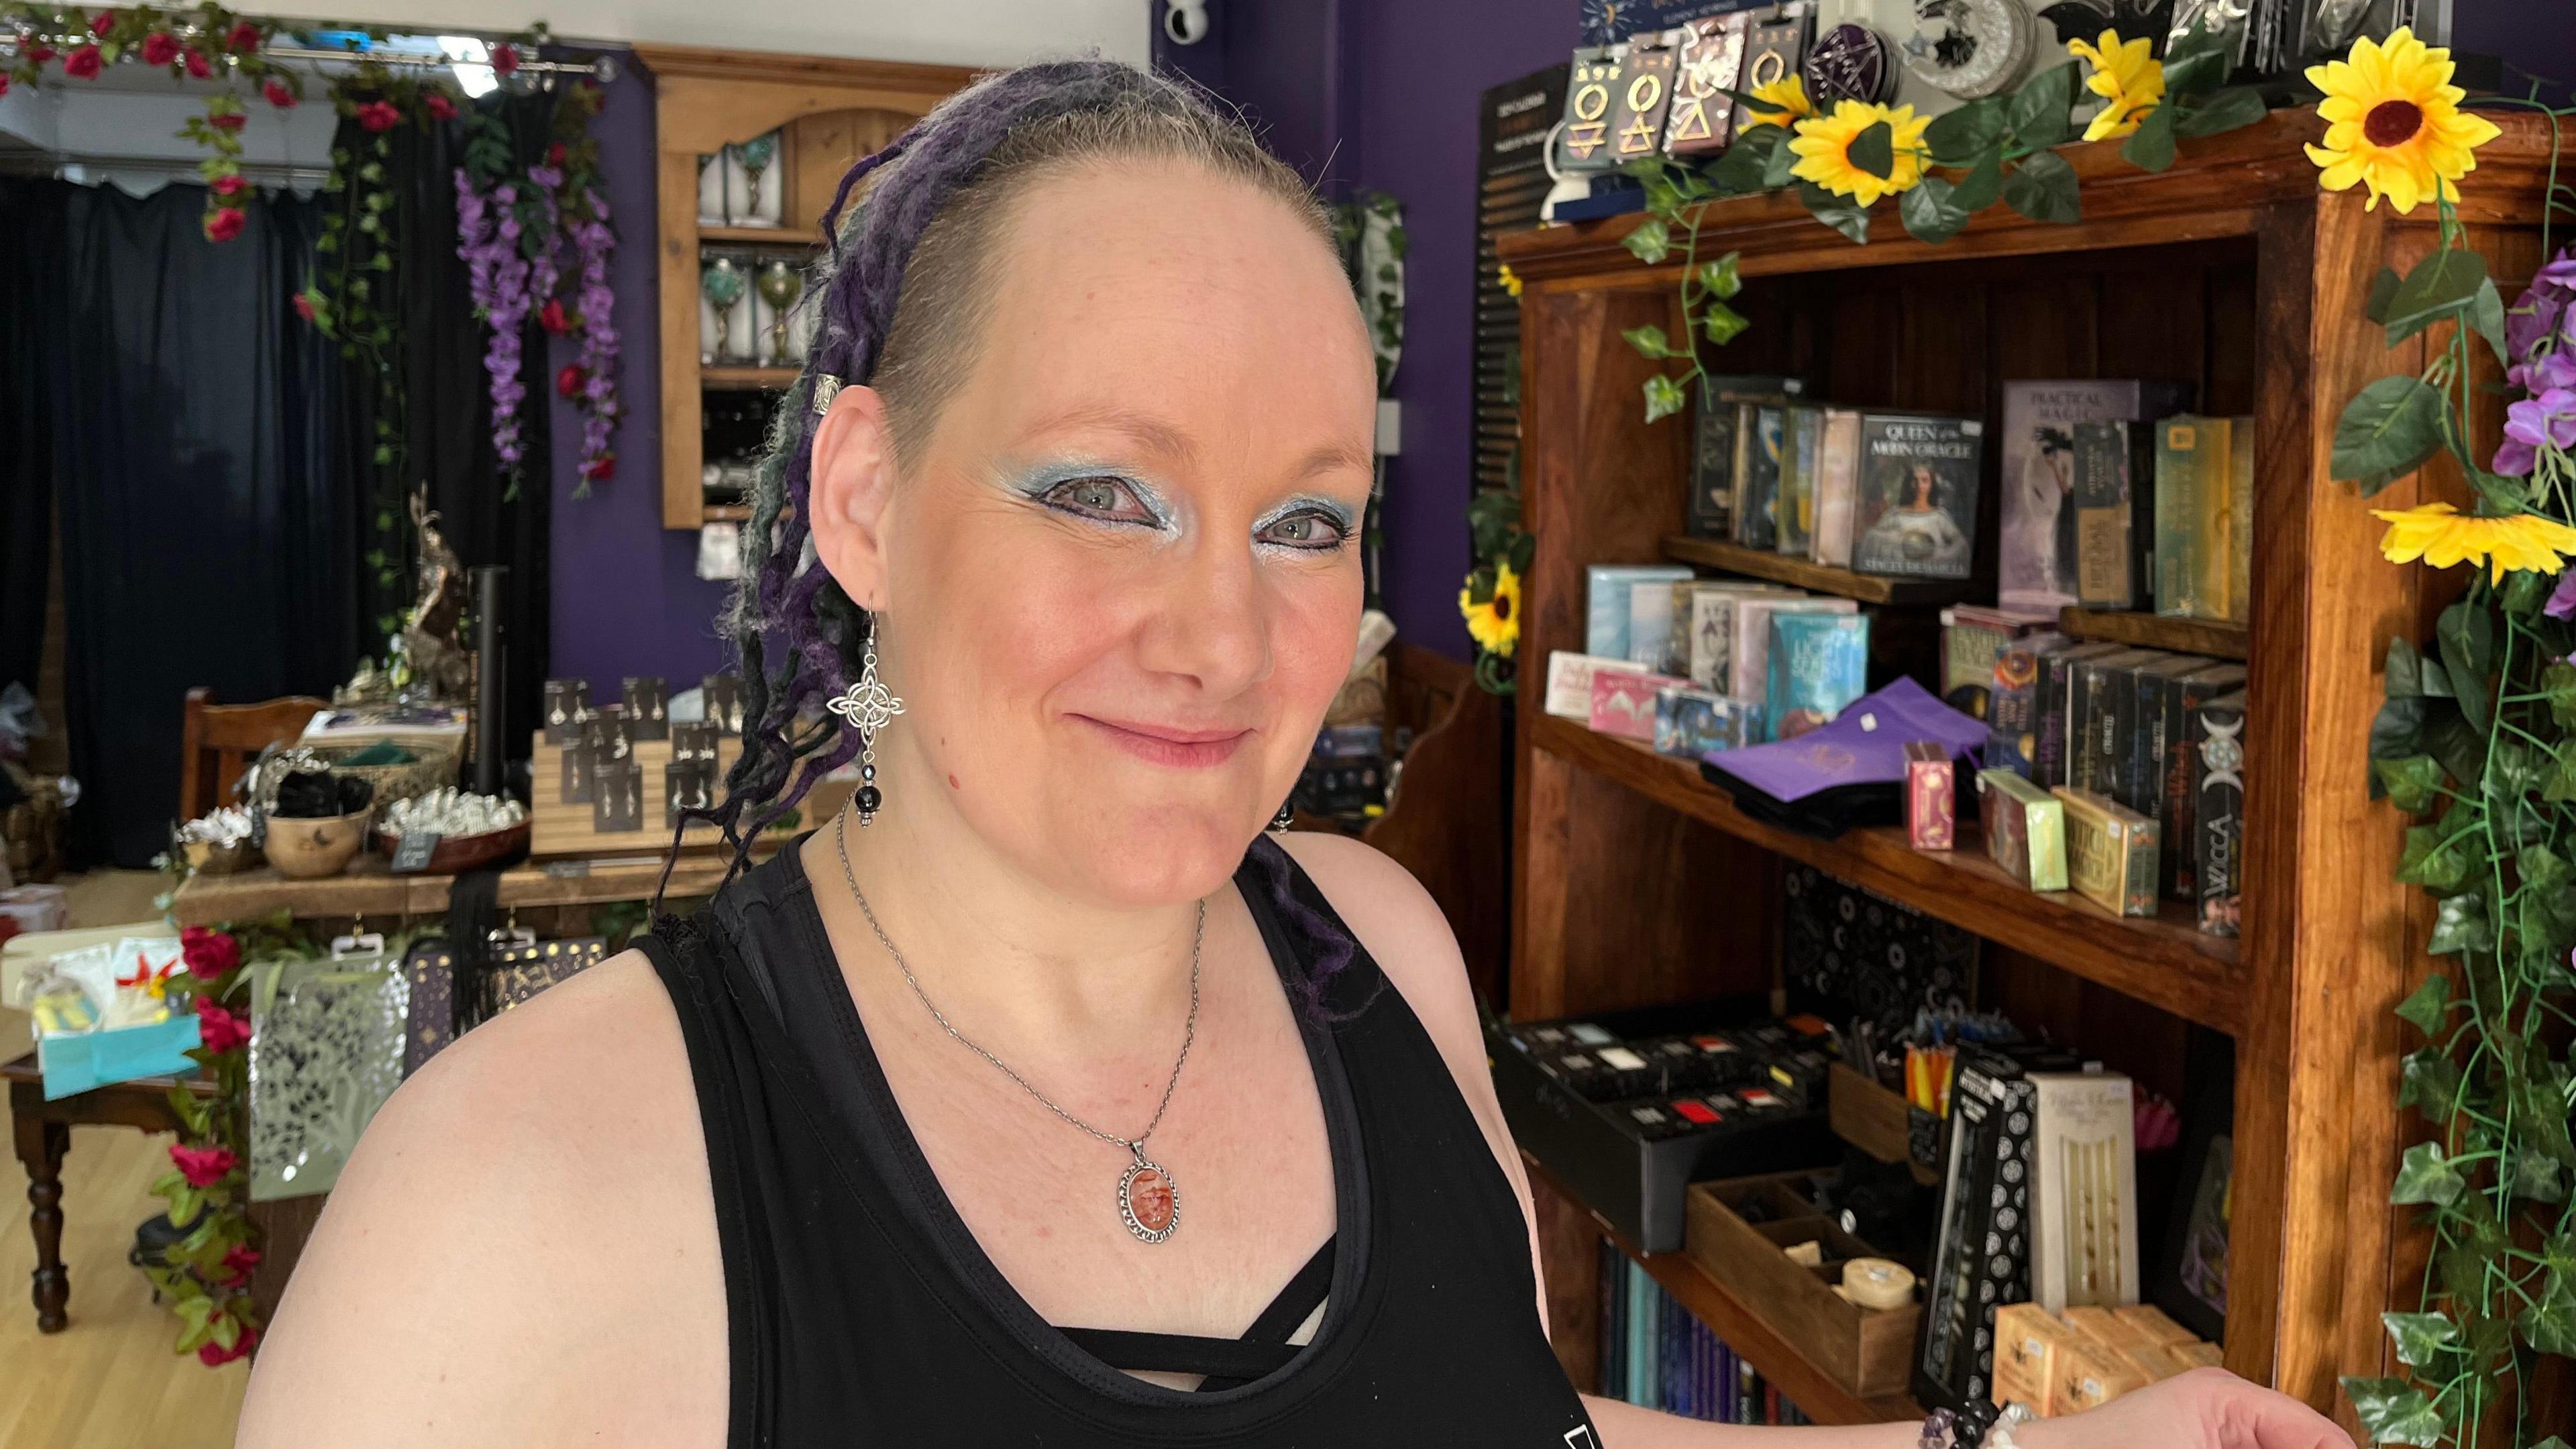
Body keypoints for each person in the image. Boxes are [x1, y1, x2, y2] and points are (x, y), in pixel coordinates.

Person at [238, 60, 2349, 1448]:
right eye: (1107, 492)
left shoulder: (1382, 948)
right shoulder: (513, 1215)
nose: (1227, 634)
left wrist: (2022, 1446)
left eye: (1311, 521)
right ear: (864, 501)